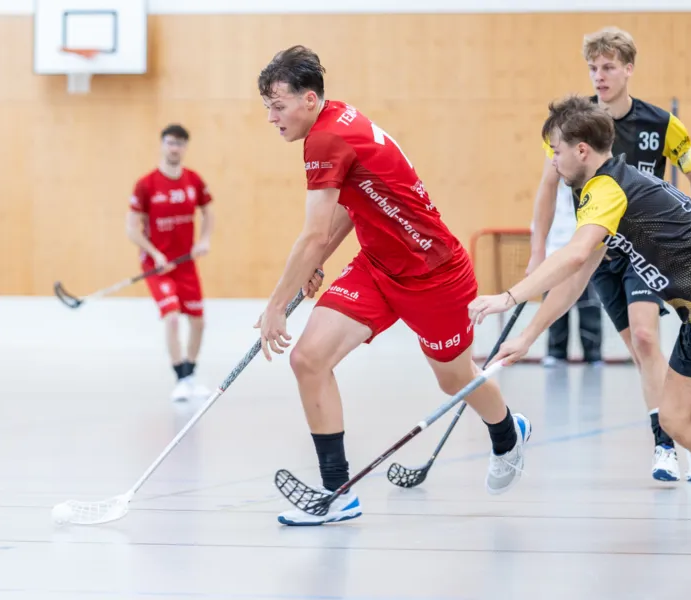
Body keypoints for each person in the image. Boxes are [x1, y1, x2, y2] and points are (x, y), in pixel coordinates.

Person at [469, 95, 691, 541]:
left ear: (581, 149)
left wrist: (509, 296)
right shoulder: (607, 192)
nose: (555, 161)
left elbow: (575, 254)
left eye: (557, 151)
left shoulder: (607, 188)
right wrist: (528, 335)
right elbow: (579, 275)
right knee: (676, 418)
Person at [252, 45, 531, 526]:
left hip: (436, 274)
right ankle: (336, 492)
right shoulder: (335, 120)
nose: (272, 118)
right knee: (308, 359)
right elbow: (350, 207)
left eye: (278, 106)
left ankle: (507, 430)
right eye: (267, 109)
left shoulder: (325, 140)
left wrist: (277, 304)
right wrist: (314, 261)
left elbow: (315, 230)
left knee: (453, 378)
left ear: (310, 99)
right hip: (379, 266)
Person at [527, 27, 691, 482]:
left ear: (629, 69)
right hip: (601, 255)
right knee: (638, 349)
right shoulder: (574, 128)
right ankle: (685, 428)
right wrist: (537, 254)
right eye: (593, 67)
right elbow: (547, 188)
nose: (600, 76)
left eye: (609, 67)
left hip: (646, 249)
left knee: (647, 339)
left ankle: (669, 444)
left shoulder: (661, 125)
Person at [126, 124, 214, 402]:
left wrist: (204, 240)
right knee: (173, 317)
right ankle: (181, 378)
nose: (174, 148)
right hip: (158, 267)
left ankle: (190, 374)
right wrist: (155, 254)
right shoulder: (146, 184)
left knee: (198, 322)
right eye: (170, 142)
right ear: (162, 145)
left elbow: (209, 211)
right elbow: (132, 229)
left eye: (179, 143)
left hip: (186, 264)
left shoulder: (194, 181)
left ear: (185, 147)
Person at [539, 179, 603, 367]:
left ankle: (593, 354)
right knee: (554, 311)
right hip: (553, 261)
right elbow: (539, 229)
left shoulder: (592, 194)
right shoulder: (549, 196)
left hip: (584, 261)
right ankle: (556, 353)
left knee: (589, 309)